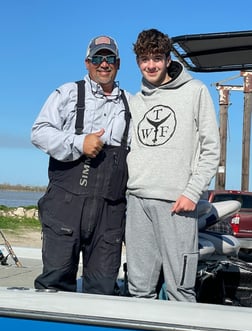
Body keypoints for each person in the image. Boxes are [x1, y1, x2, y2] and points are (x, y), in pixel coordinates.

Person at [125, 29, 220, 302]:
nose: (150, 65)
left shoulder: (195, 92)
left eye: (156, 58)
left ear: (167, 59)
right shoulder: (135, 100)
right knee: (139, 290)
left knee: (181, 289)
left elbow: (211, 148)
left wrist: (192, 192)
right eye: (144, 59)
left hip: (176, 205)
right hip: (137, 201)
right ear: (138, 62)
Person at [31, 35, 131, 295]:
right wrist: (78, 143)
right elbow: (39, 132)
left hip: (109, 215)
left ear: (118, 63)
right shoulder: (67, 93)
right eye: (98, 58)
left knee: (104, 290)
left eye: (110, 58)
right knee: (54, 284)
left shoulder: (131, 103)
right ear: (88, 63)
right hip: (65, 208)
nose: (104, 64)